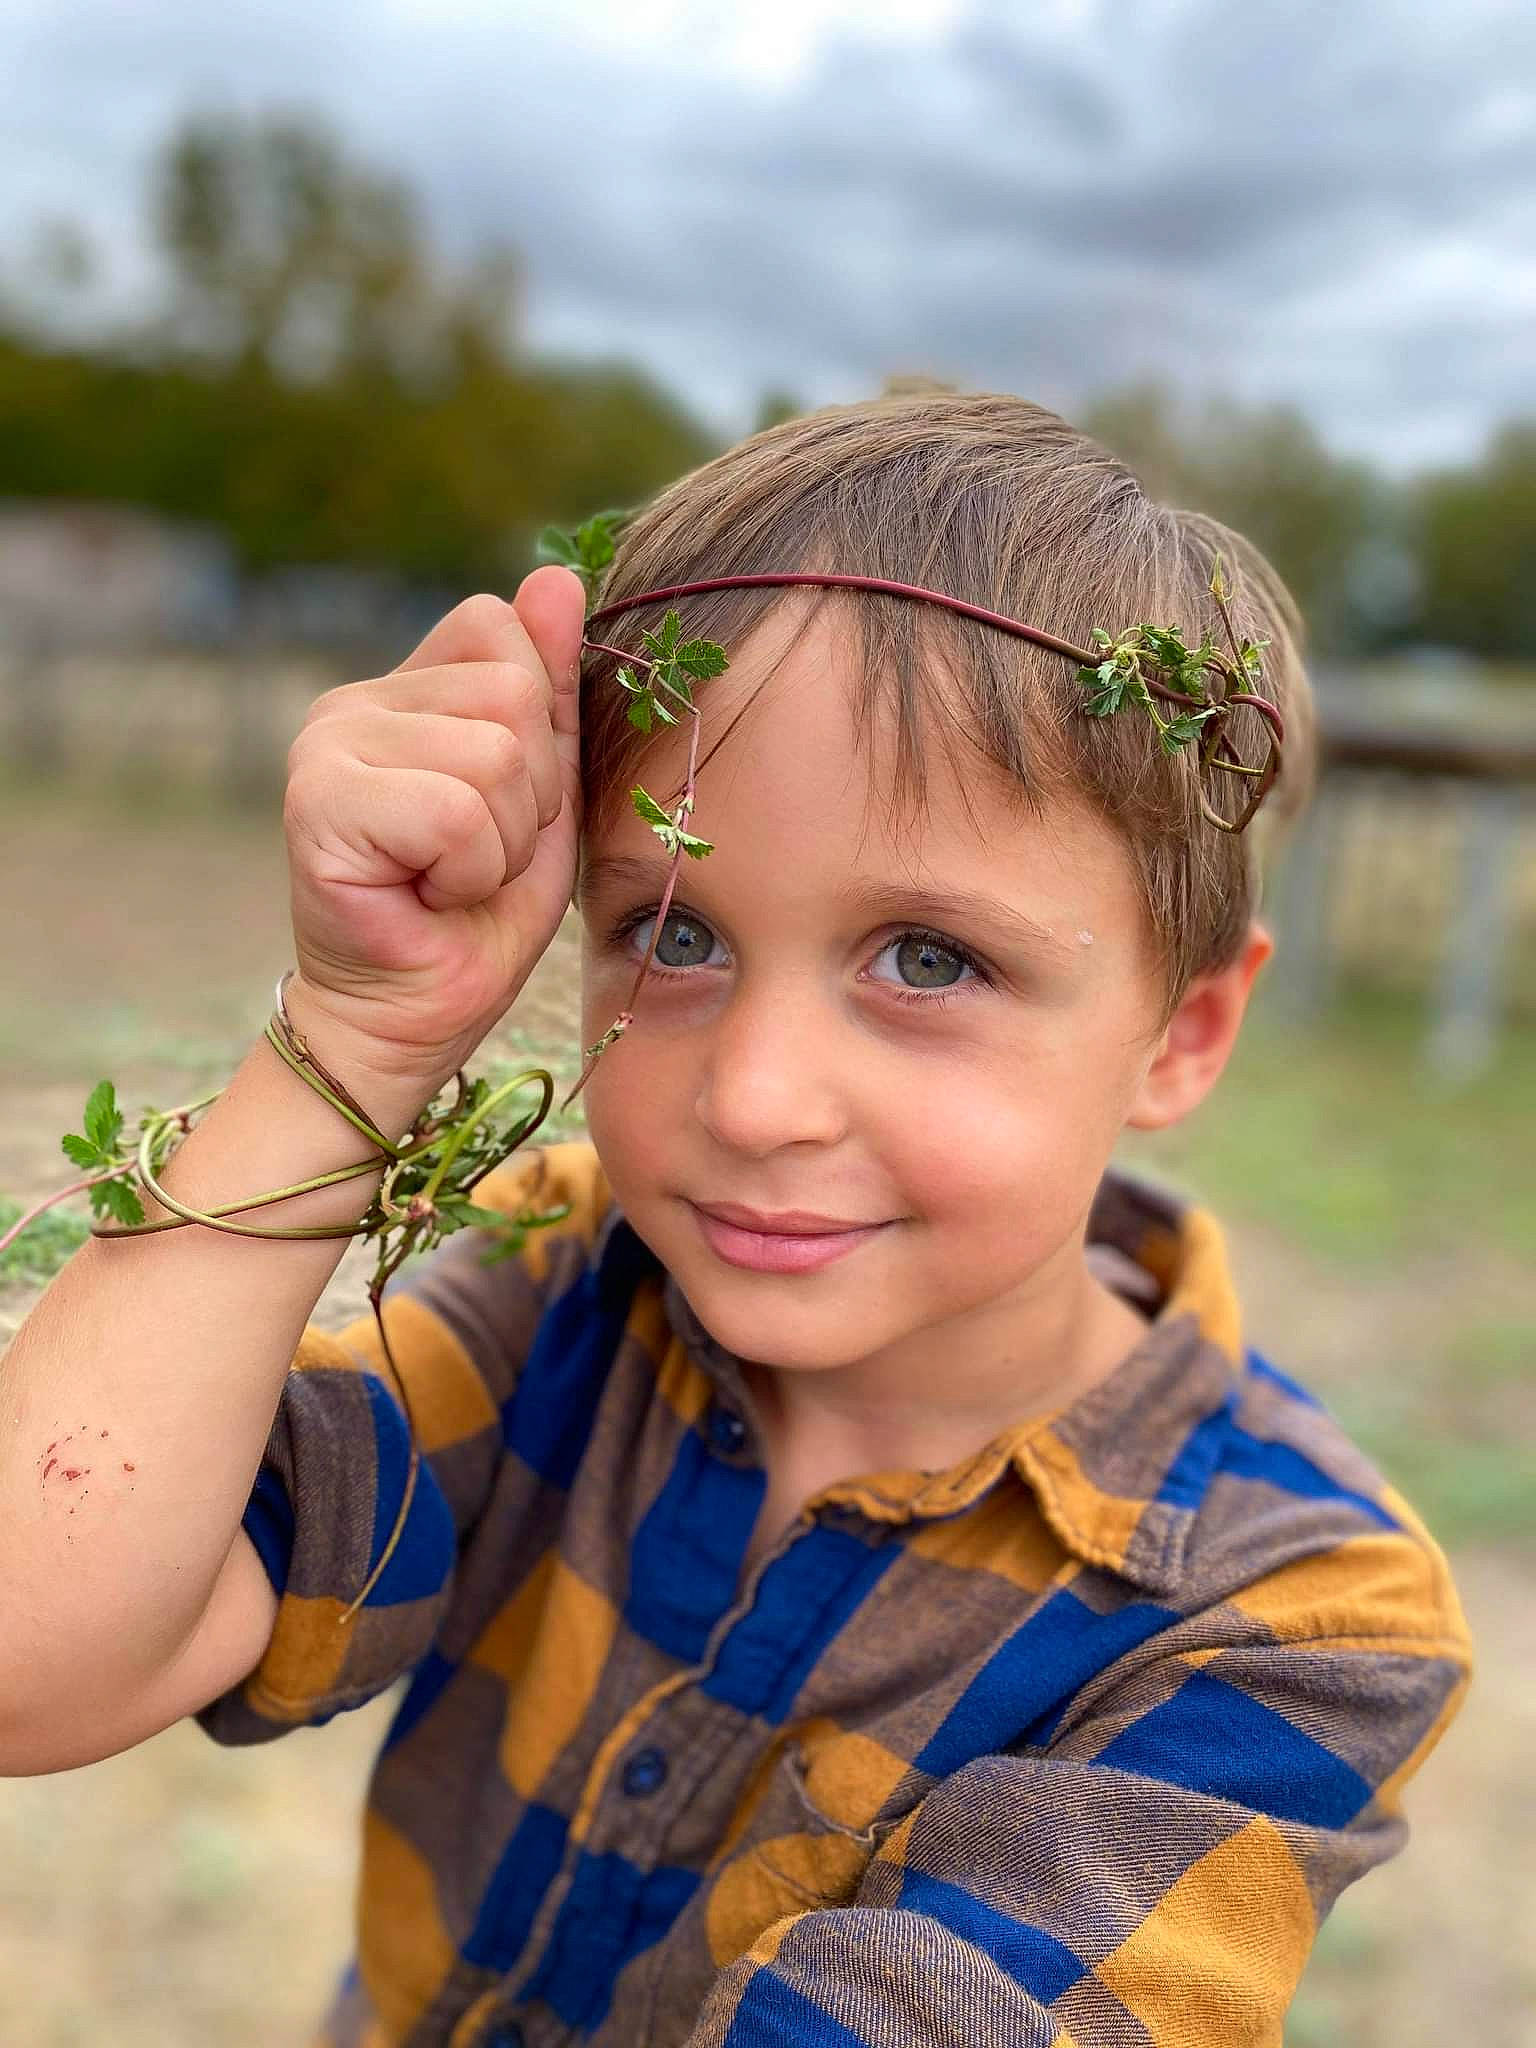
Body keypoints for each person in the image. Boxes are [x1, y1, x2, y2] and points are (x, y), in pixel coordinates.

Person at [0, 388, 1473, 2047]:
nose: (755, 1097)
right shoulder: (567, 1284)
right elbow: (34, 1644)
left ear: (1184, 1033)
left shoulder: (1295, 1614)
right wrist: (352, 1037)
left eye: (929, 958)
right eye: (676, 935)